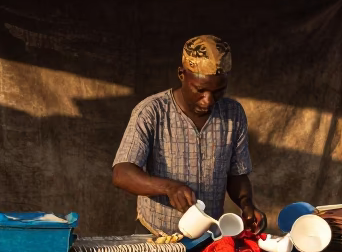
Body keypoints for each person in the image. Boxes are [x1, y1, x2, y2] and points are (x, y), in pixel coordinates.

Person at [112, 35, 265, 236]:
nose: (208, 100)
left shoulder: (233, 114)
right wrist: (168, 187)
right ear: (182, 74)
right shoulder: (151, 112)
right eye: (200, 90)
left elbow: (237, 174)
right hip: (158, 235)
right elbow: (122, 173)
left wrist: (246, 204)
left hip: (209, 237)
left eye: (219, 91)